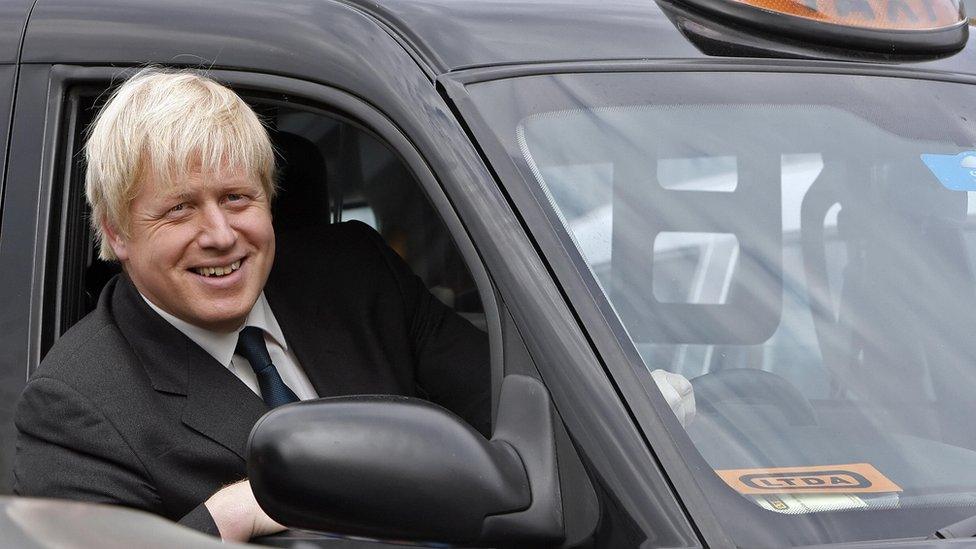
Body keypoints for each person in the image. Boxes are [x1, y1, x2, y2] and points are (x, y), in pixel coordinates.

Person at [12, 69, 695, 542]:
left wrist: (633, 413)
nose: (220, 233)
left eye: (239, 198)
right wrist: (232, 514)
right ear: (117, 235)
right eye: (180, 209)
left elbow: (517, 406)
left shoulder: (353, 275)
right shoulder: (76, 403)